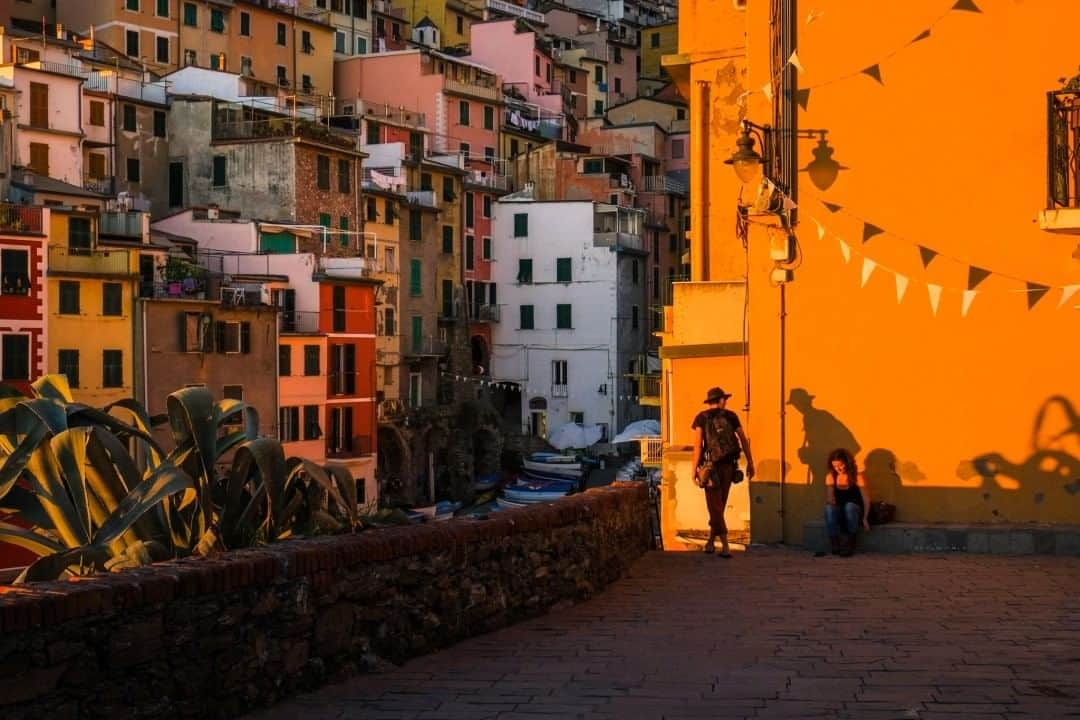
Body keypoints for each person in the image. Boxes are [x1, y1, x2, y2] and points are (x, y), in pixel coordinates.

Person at [691, 387, 755, 557]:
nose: (725, 402)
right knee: (719, 505)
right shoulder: (731, 416)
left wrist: (694, 470)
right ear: (720, 401)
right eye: (724, 399)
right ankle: (711, 542)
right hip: (729, 465)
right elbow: (743, 440)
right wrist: (750, 462)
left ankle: (725, 546)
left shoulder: (701, 418)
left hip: (710, 467)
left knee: (715, 507)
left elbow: (697, 445)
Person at [824, 448, 870, 556]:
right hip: (840, 510)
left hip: (854, 510)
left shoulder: (857, 476)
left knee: (849, 506)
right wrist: (831, 500)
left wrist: (865, 518)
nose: (838, 469)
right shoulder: (831, 477)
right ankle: (835, 543)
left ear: (847, 462)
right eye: (835, 466)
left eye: (840, 465)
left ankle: (850, 543)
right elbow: (830, 498)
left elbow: (866, 499)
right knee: (828, 509)